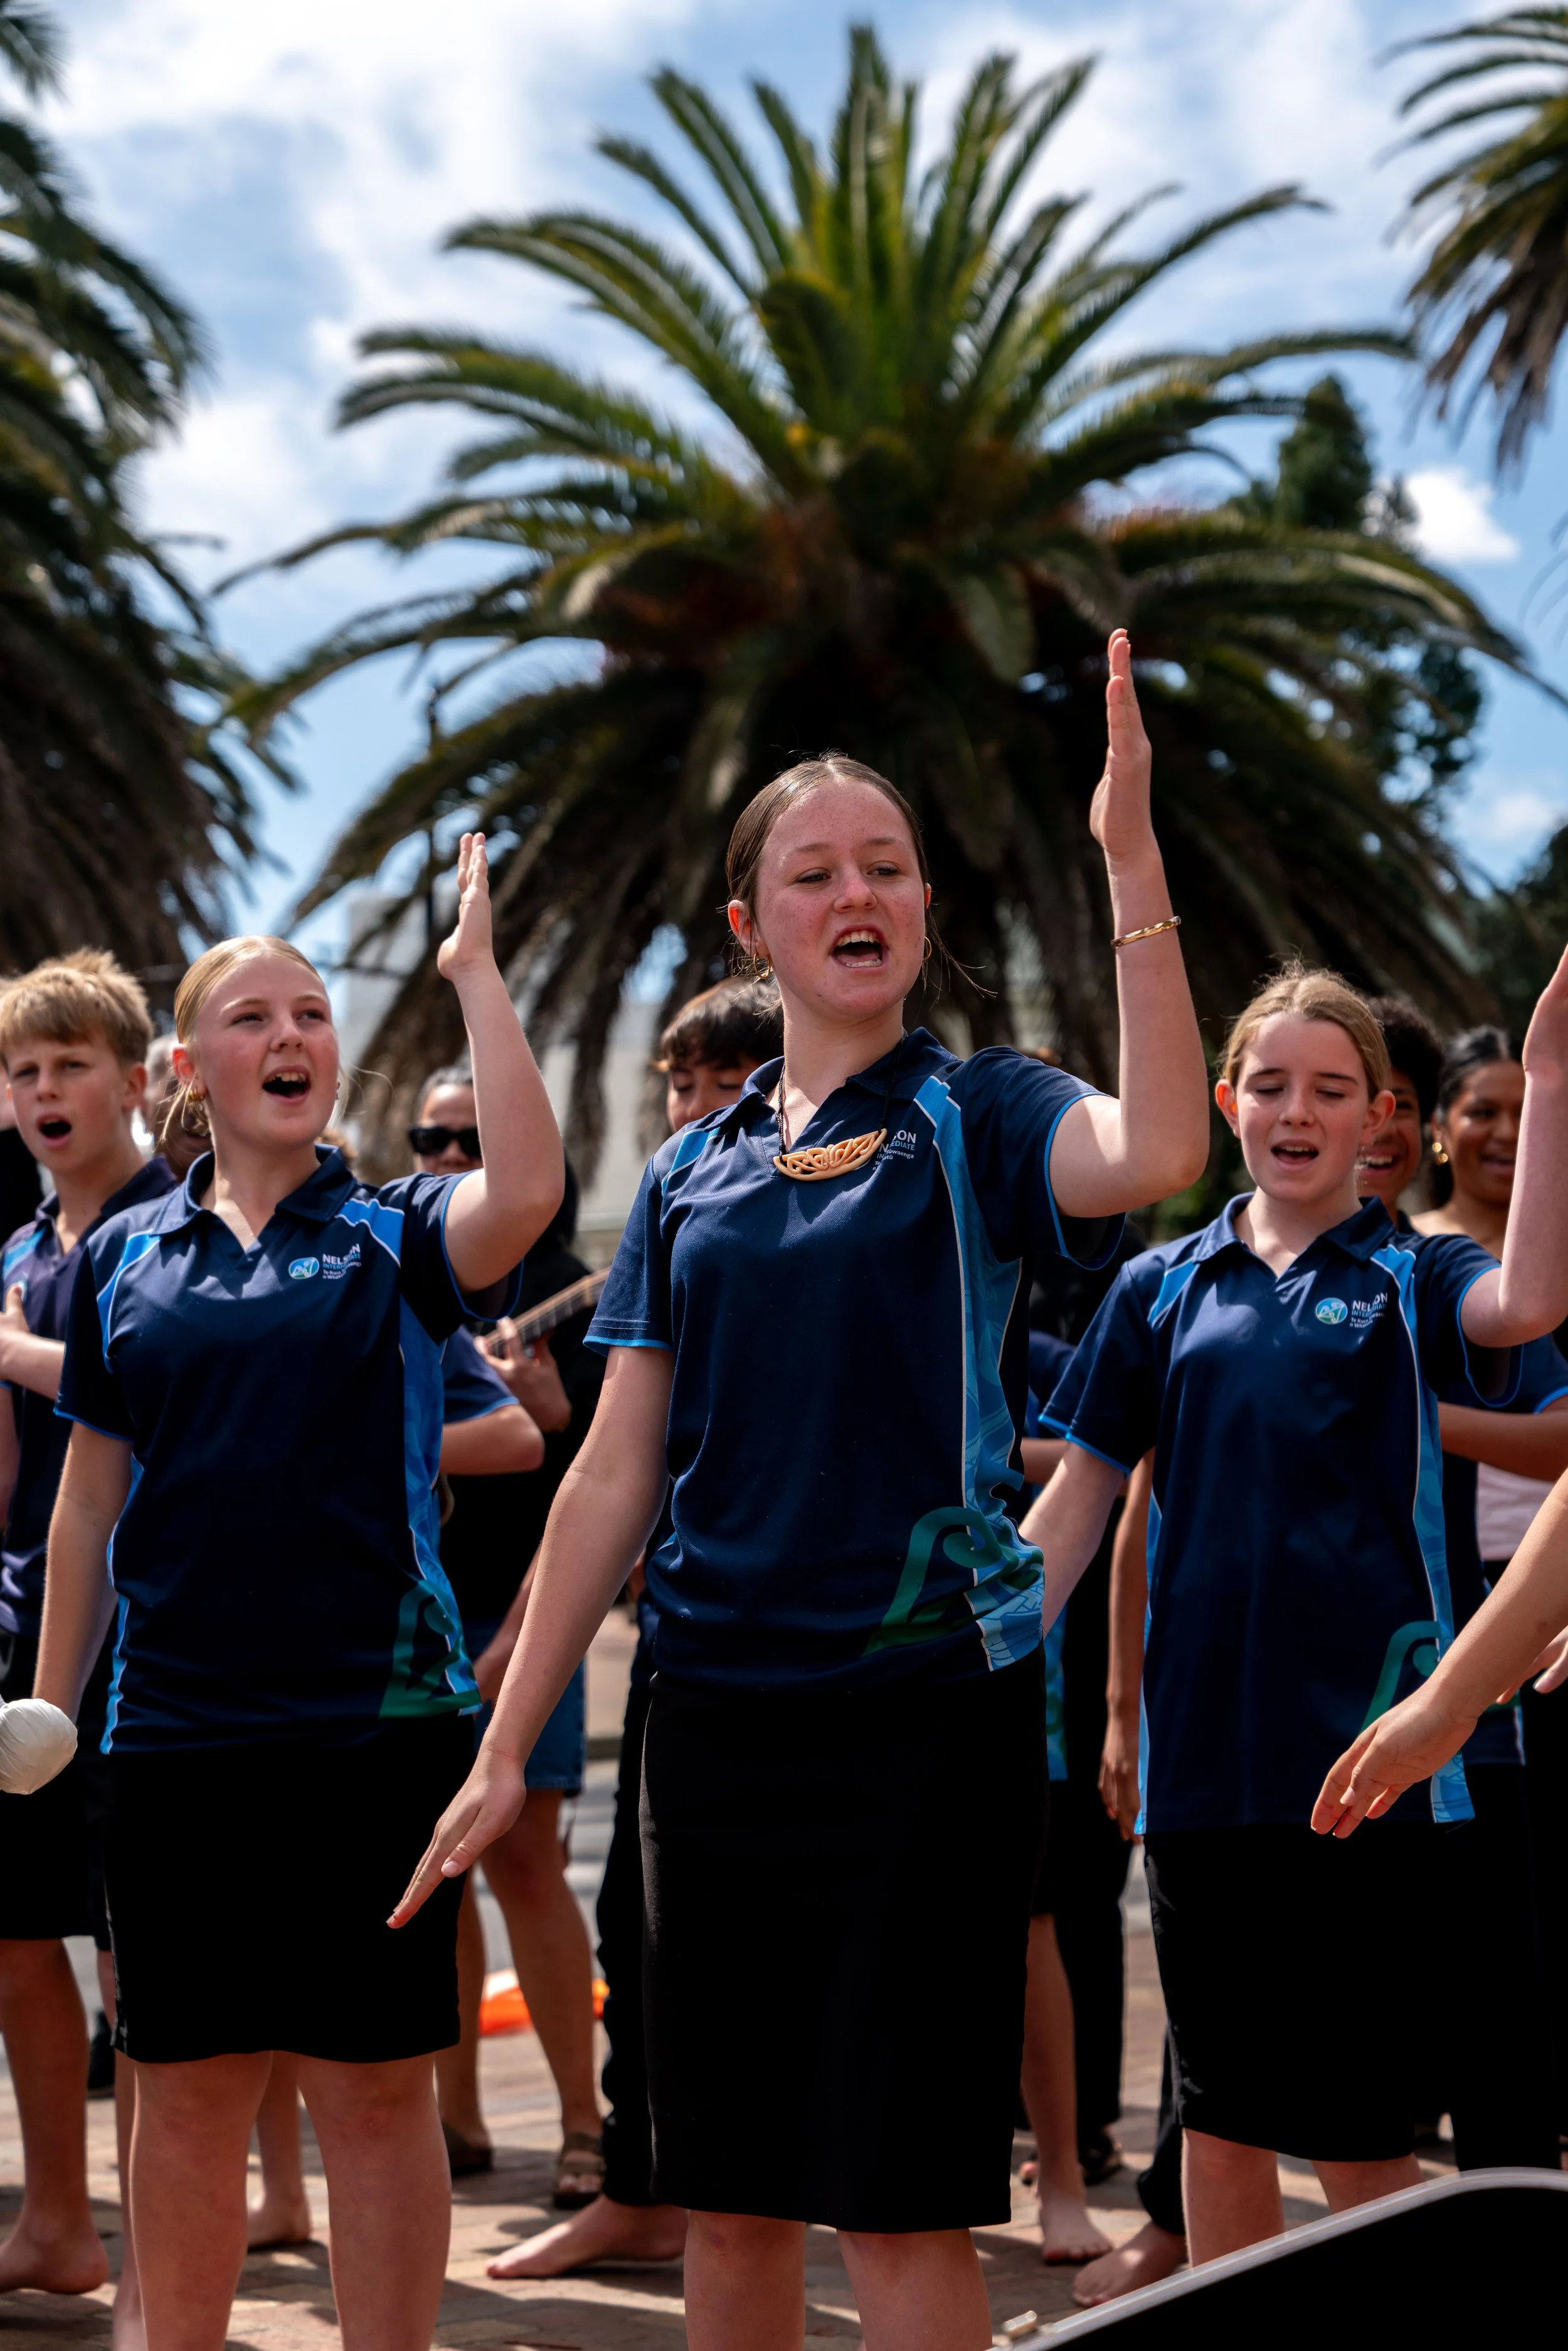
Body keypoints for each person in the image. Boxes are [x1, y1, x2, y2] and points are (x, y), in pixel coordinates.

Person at [395, 629, 1209, 2351]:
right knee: (734, 2195)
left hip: (924, 1716)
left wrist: (1129, 857)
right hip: (709, 1719)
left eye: (889, 867)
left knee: (898, 2199)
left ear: (919, 908)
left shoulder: (987, 1111)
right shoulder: (689, 1172)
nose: (859, 891)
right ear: (751, 925)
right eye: (813, 870)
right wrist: (501, 1740)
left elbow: (1152, 1152)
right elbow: (612, 1466)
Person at [31, 834, 563, 2351]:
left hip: (375, 1734)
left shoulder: (396, 1233)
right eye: (257, 1018)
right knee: (184, 2097)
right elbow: (86, 1501)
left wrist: (473, 976)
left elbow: (523, 1190)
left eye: (313, 1014)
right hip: (175, 1741)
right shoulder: (124, 1258)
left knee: (374, 2094)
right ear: (191, 1066)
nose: (293, 1038)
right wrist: (53, 1705)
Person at [1030, 958, 1568, 2269]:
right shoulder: (1157, 1285)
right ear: (1225, 1100)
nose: (1295, 1108)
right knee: (1220, 2119)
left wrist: (1548, 1077)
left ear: (1381, 1118)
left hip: (1366, 1761)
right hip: (1201, 1766)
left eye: (1331, 1088)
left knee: (1354, 2126)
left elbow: (1528, 1305)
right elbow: (1083, 1505)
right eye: (1268, 1082)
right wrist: (971, 1655)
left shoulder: (1414, 1273)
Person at [489, 971, 783, 2281]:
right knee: (641, 1930)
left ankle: (765, 2194)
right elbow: (610, 1465)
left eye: (728, 1079)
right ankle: (643, 2185)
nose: (698, 1104)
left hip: (825, 1649)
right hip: (683, 1639)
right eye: (682, 1081)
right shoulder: (673, 1222)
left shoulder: (815, 1219)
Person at [0, 950, 171, 2338]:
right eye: (22, 1070)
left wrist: (8, 1356)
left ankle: (163, 2259)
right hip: (27, 1624)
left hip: (158, 1625)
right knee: (13, 1933)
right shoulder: (20, 1252)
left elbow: (167, 1389)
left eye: (68, 1065)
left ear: (137, 1079)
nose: (45, 1089)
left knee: (143, 1959)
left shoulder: (172, 1225)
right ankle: (57, 2219)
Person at [405, 1068, 606, 2199]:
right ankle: (459, 2120)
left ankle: (584, 2124)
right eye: (427, 1136)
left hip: (531, 1609)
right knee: (436, 1866)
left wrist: (542, 1414)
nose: (443, 1155)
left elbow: (601, 1486)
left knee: (528, 1860)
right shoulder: (398, 1276)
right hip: (419, 1611)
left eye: (470, 1137)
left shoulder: (575, 1295)